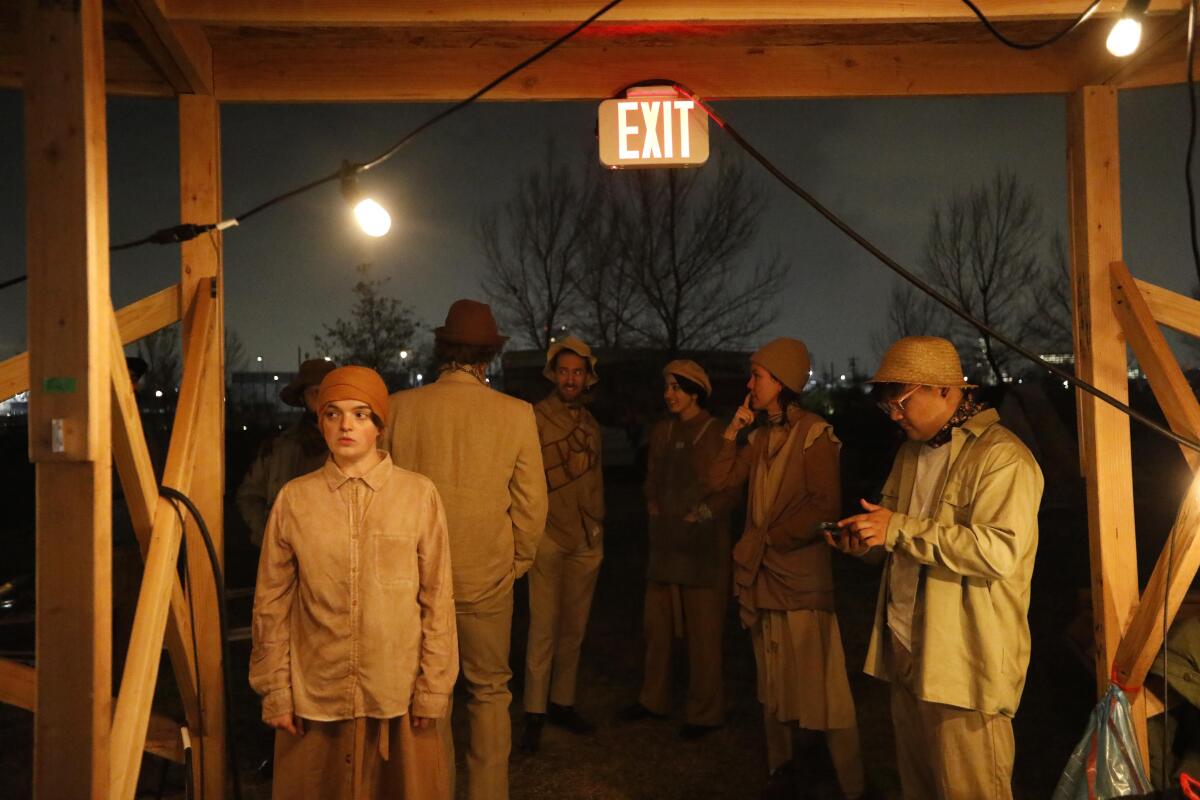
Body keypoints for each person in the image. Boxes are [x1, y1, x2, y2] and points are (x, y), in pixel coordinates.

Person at [831, 336, 1042, 800]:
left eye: (901, 402)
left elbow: (997, 552)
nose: (895, 415)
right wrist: (862, 541)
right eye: (887, 407)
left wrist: (897, 529)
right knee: (920, 787)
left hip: (965, 663)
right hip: (907, 647)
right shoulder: (911, 453)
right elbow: (893, 534)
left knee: (971, 789)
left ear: (945, 390)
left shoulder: (1002, 457)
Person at [250, 365, 457, 800]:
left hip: (396, 692)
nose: (346, 425)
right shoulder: (295, 499)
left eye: (361, 414)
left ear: (379, 425)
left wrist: (433, 687)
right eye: (333, 414)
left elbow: (437, 599)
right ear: (320, 421)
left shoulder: (418, 496)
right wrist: (276, 689)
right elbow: (271, 601)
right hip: (317, 694)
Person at [385, 299, 548, 800]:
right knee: (490, 692)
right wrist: (516, 562)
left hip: (414, 580)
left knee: (429, 696)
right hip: (487, 577)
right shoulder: (516, 414)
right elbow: (532, 505)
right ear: (489, 355)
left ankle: (432, 790)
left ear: (443, 350)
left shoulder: (399, 409)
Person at [709, 337, 865, 800]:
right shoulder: (758, 438)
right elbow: (718, 484)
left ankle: (843, 780)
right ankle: (786, 771)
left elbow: (824, 505)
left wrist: (770, 537)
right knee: (773, 682)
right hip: (762, 577)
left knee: (820, 684)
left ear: (782, 382)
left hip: (800, 579)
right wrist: (732, 431)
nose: (750, 383)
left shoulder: (816, 434)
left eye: (758, 375)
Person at [619, 360, 737, 739]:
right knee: (656, 631)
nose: (668, 394)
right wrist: (653, 503)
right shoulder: (663, 431)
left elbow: (728, 489)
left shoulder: (716, 433)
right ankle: (653, 700)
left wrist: (700, 515)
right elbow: (652, 476)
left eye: (676, 387)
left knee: (704, 637)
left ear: (695, 392)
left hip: (701, 553)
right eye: (667, 387)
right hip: (665, 549)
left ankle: (704, 712)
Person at [521, 336, 605, 753]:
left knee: (574, 628)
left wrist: (598, 524)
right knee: (543, 628)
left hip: (588, 538)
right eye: (565, 370)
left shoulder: (590, 424)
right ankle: (534, 710)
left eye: (578, 371)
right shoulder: (534, 418)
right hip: (550, 536)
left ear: (587, 377)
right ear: (553, 373)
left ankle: (562, 702)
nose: (571, 378)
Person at [237, 358, 336, 546]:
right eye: (314, 392)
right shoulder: (278, 447)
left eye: (325, 390)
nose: (321, 397)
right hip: (286, 553)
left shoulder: (354, 445)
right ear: (302, 397)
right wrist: (269, 535)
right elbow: (249, 495)